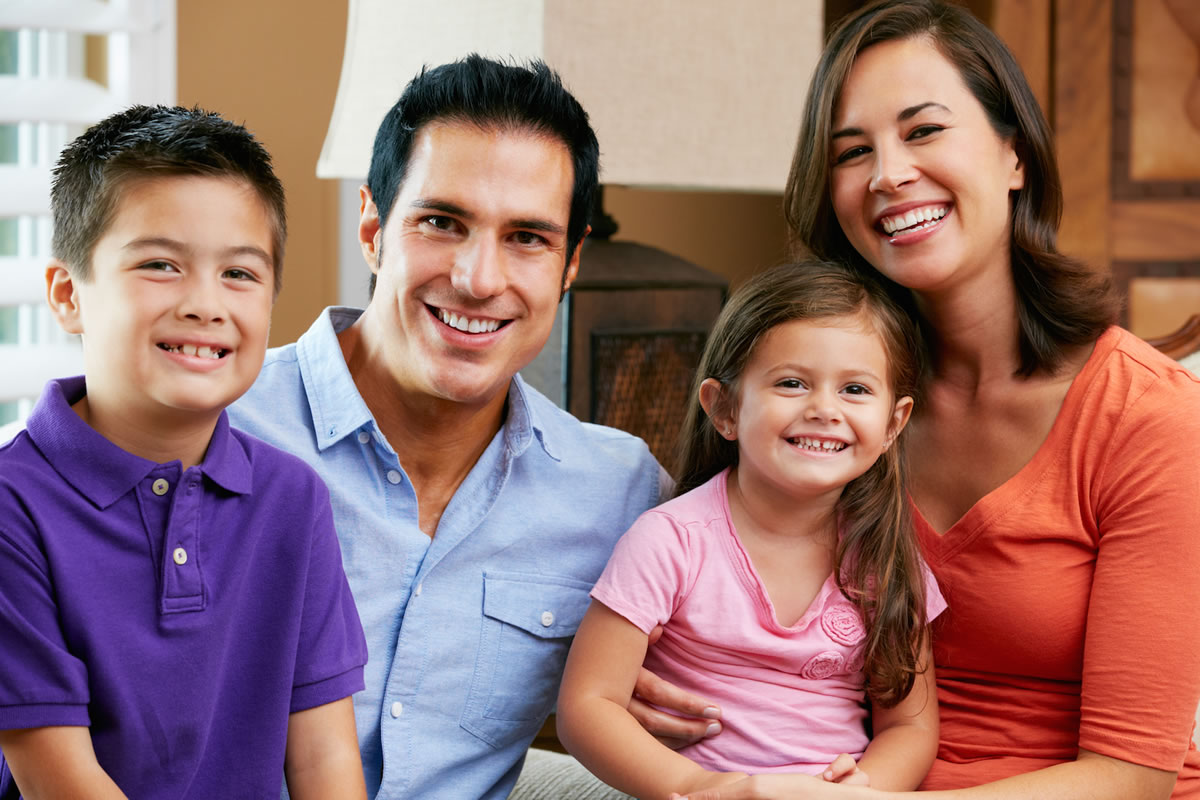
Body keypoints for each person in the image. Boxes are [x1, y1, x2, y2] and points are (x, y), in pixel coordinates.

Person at [677, 1, 1200, 799]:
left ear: (1014, 155)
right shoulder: (812, 405)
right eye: (853, 151)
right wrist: (641, 671)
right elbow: (692, 558)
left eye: (923, 131)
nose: (888, 174)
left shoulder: (1148, 417)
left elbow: (1132, 773)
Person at [226, 56, 667, 799]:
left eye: (527, 237)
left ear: (570, 263)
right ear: (372, 228)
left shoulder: (619, 493)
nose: (478, 278)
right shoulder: (212, 426)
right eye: (441, 221)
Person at [0, 106, 368, 799]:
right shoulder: (11, 507)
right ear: (67, 294)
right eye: (161, 265)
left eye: (240, 274)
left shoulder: (294, 500)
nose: (206, 304)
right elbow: (63, 783)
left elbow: (325, 763)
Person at [556, 261, 946, 800]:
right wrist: (700, 787)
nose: (824, 409)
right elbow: (587, 706)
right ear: (725, 409)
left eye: (854, 389)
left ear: (892, 425)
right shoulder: (670, 541)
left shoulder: (885, 560)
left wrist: (866, 788)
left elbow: (910, 726)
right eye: (792, 382)